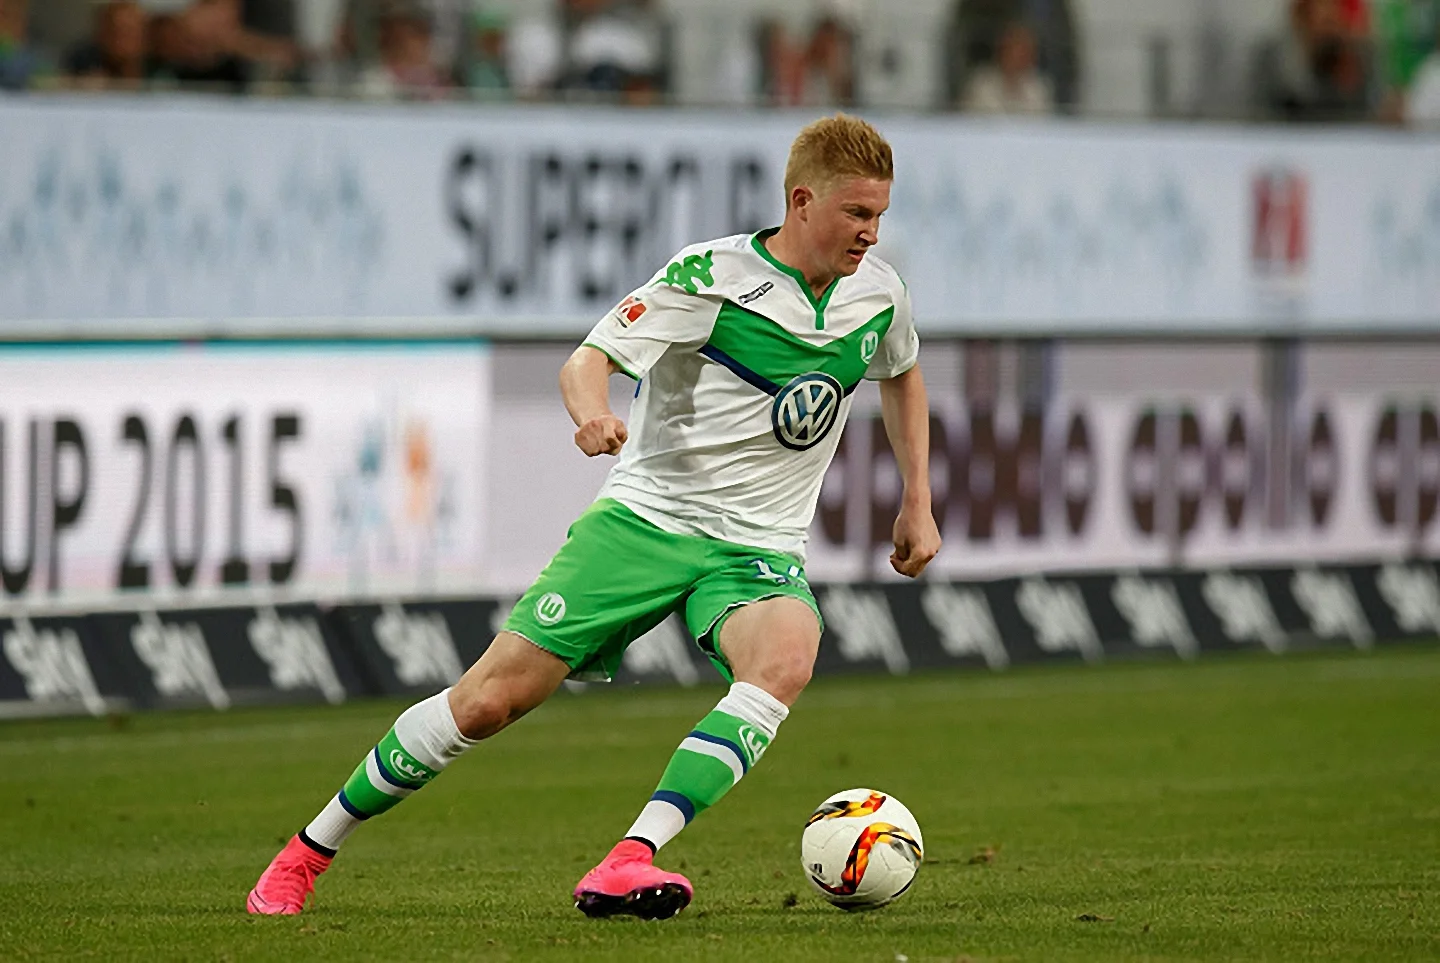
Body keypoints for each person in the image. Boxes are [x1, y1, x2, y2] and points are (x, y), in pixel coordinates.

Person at [245, 113, 941, 921]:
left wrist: (917, 499)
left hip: (757, 546)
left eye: (879, 214)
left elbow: (902, 373)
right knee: (488, 701)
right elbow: (590, 359)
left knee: (786, 657)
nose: (871, 232)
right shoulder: (711, 278)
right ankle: (304, 853)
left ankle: (629, 856)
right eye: (857, 213)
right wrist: (592, 414)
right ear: (801, 201)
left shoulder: (878, 293)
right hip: (646, 522)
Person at [962, 20, 1054, 114]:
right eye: (1015, 49)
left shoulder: (1039, 89)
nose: (1021, 56)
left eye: (1025, 50)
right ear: (1002, 51)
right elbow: (970, 119)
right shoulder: (981, 84)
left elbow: (1043, 120)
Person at [65, 0, 148, 90]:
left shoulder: (152, 65)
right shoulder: (82, 61)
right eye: (115, 31)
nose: (122, 39)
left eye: (130, 31)